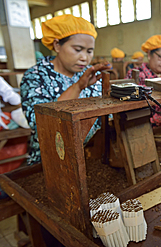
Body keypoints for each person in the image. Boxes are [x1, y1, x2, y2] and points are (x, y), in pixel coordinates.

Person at [20, 14, 110, 166]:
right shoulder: (35, 77)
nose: (84, 58)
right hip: (51, 161)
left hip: (91, 156)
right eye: (78, 49)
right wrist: (78, 87)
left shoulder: (90, 73)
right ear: (57, 45)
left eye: (89, 51)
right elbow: (42, 125)